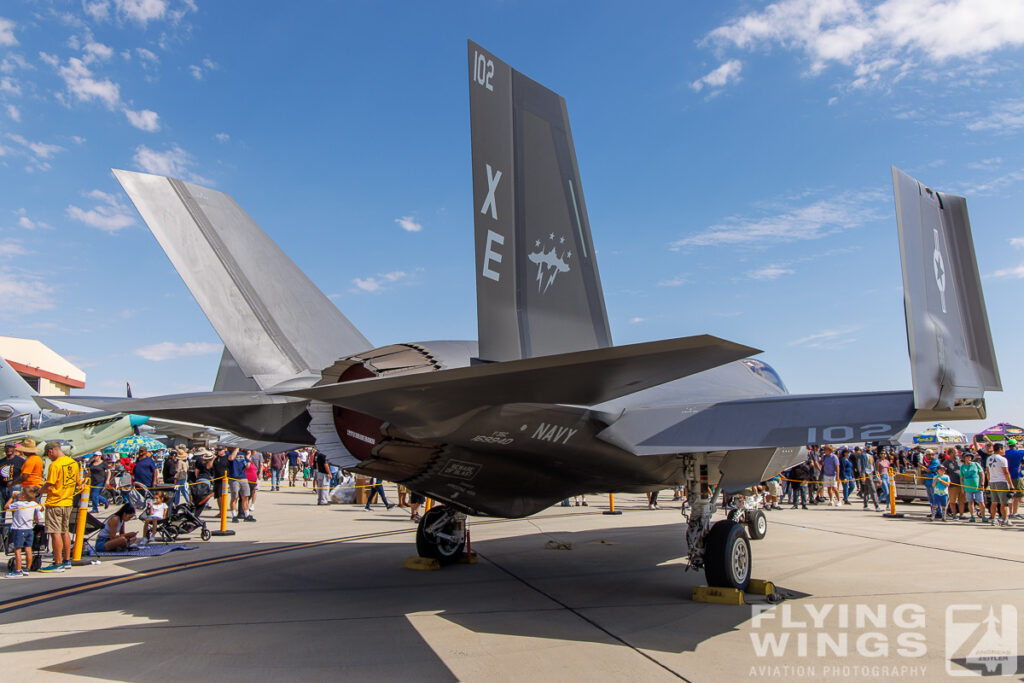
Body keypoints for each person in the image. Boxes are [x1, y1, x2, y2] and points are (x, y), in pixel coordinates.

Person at [38, 442, 79, 572]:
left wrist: (38, 491)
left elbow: (49, 485)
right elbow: (78, 482)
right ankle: (66, 560)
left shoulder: (55, 465)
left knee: (55, 533)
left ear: (51, 452)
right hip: (67, 501)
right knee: (64, 531)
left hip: (55, 502)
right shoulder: (73, 463)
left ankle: (58, 562)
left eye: (48, 455)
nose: (49, 458)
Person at [3, 485, 41, 577]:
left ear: (23, 496)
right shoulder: (33, 504)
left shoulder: (18, 504)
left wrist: (12, 497)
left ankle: (18, 570)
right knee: (28, 549)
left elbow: (6, 507)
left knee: (18, 550)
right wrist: (33, 500)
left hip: (19, 530)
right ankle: (27, 568)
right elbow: (41, 508)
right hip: (29, 529)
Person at [986, 443, 1014, 526]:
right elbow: (1006, 472)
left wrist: (989, 481)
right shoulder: (1002, 459)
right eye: (1003, 449)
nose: (1004, 451)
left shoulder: (989, 458)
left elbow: (987, 471)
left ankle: (993, 519)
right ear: (1000, 449)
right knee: (1004, 503)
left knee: (994, 502)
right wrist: (1011, 484)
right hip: (1002, 481)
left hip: (993, 482)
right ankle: (1005, 520)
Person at [0, 441, 25, 525]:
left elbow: (24, 475)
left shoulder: (20, 461)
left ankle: (15, 530)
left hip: (15, 487)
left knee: (15, 510)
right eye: (7, 447)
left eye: (10, 447)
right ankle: (2, 533)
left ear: (14, 449)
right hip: (2, 488)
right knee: (1, 511)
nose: (8, 449)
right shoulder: (1, 461)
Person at [227, 448, 255, 522]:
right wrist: (236, 449)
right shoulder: (229, 453)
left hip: (243, 477)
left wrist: (248, 456)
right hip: (234, 478)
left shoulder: (242, 454)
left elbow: (247, 465)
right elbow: (231, 458)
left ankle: (246, 514)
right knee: (234, 497)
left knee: (245, 496)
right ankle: (234, 515)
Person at [960, 452, 984, 522]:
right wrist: (962, 488)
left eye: (969, 457)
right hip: (967, 487)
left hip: (977, 486)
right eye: (966, 457)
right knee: (970, 502)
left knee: (980, 502)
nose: (968, 458)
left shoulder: (976, 464)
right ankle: (972, 516)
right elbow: (961, 478)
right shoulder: (962, 467)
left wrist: (982, 484)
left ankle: (983, 516)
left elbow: (982, 474)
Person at [1005, 439, 1024, 519]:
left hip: (1007, 476)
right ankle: (1014, 513)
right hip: (1017, 475)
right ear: (1015, 445)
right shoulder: (1019, 452)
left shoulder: (1005, 453)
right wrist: (1021, 446)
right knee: (1019, 496)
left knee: (1011, 496)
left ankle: (1011, 512)